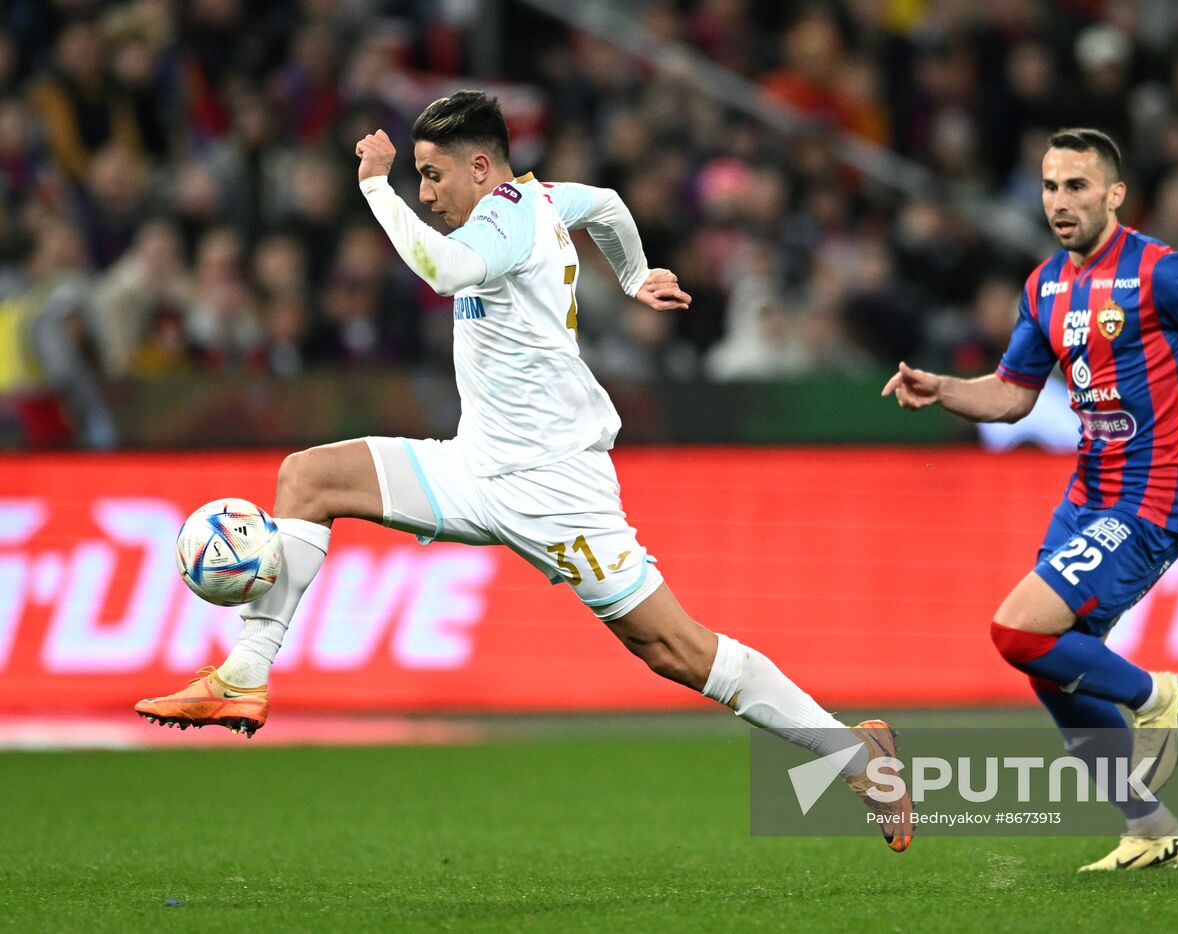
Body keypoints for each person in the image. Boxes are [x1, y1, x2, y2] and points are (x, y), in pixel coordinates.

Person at [135, 91, 913, 852]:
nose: (427, 192)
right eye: (416, 176)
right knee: (308, 477)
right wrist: (635, 274)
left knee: (674, 650)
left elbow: (441, 273)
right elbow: (604, 203)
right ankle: (245, 672)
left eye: (433, 175)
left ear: (481, 167)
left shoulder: (504, 219)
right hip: (475, 465)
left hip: (554, 488)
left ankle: (853, 756)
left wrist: (374, 185)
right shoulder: (537, 198)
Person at [882, 128, 1178, 871]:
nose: (1060, 202)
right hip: (1088, 495)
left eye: (1076, 187)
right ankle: (1150, 828)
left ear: (1114, 194)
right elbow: (1009, 397)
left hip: (1155, 498)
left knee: (1016, 631)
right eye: (1049, 186)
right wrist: (942, 389)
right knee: (1048, 664)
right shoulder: (1044, 287)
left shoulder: (1162, 272)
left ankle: (1156, 693)